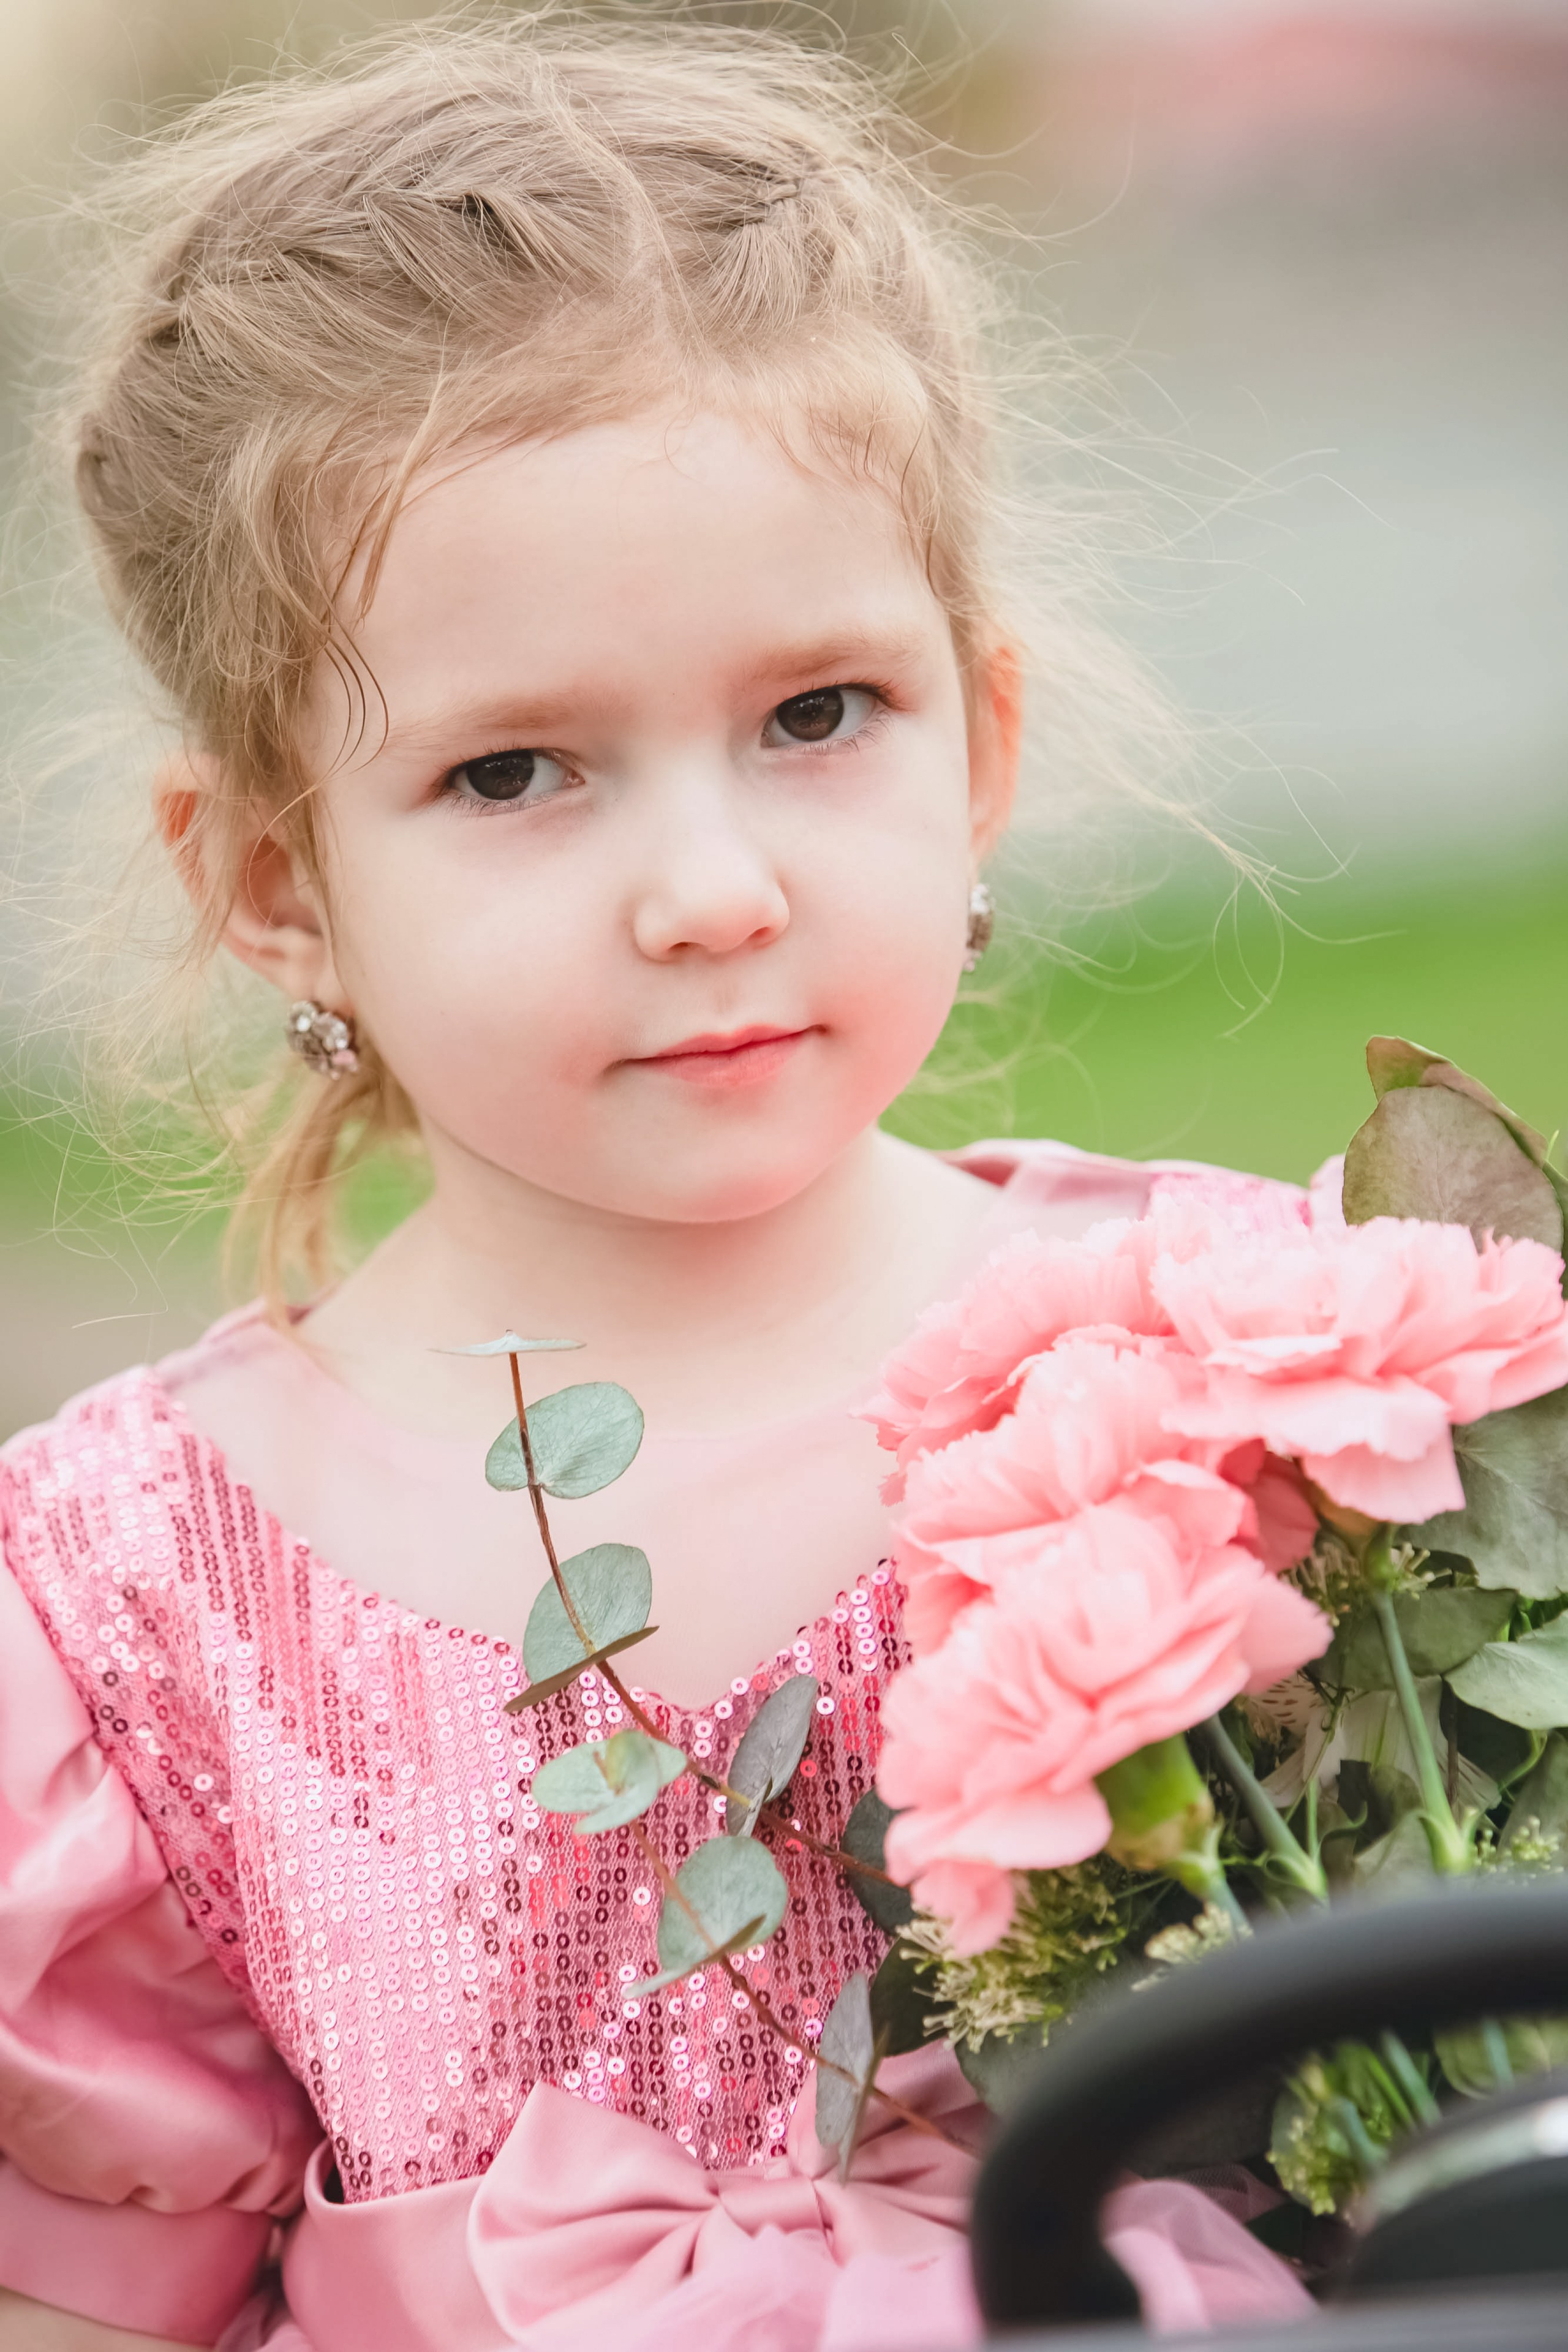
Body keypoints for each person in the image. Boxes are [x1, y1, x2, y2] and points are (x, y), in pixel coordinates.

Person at [0, 20, 1311, 2348]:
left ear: (979, 737)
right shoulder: (125, 1613)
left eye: (818, 716)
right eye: (517, 772)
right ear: (282, 883)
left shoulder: (1258, 1369)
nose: (708, 890)